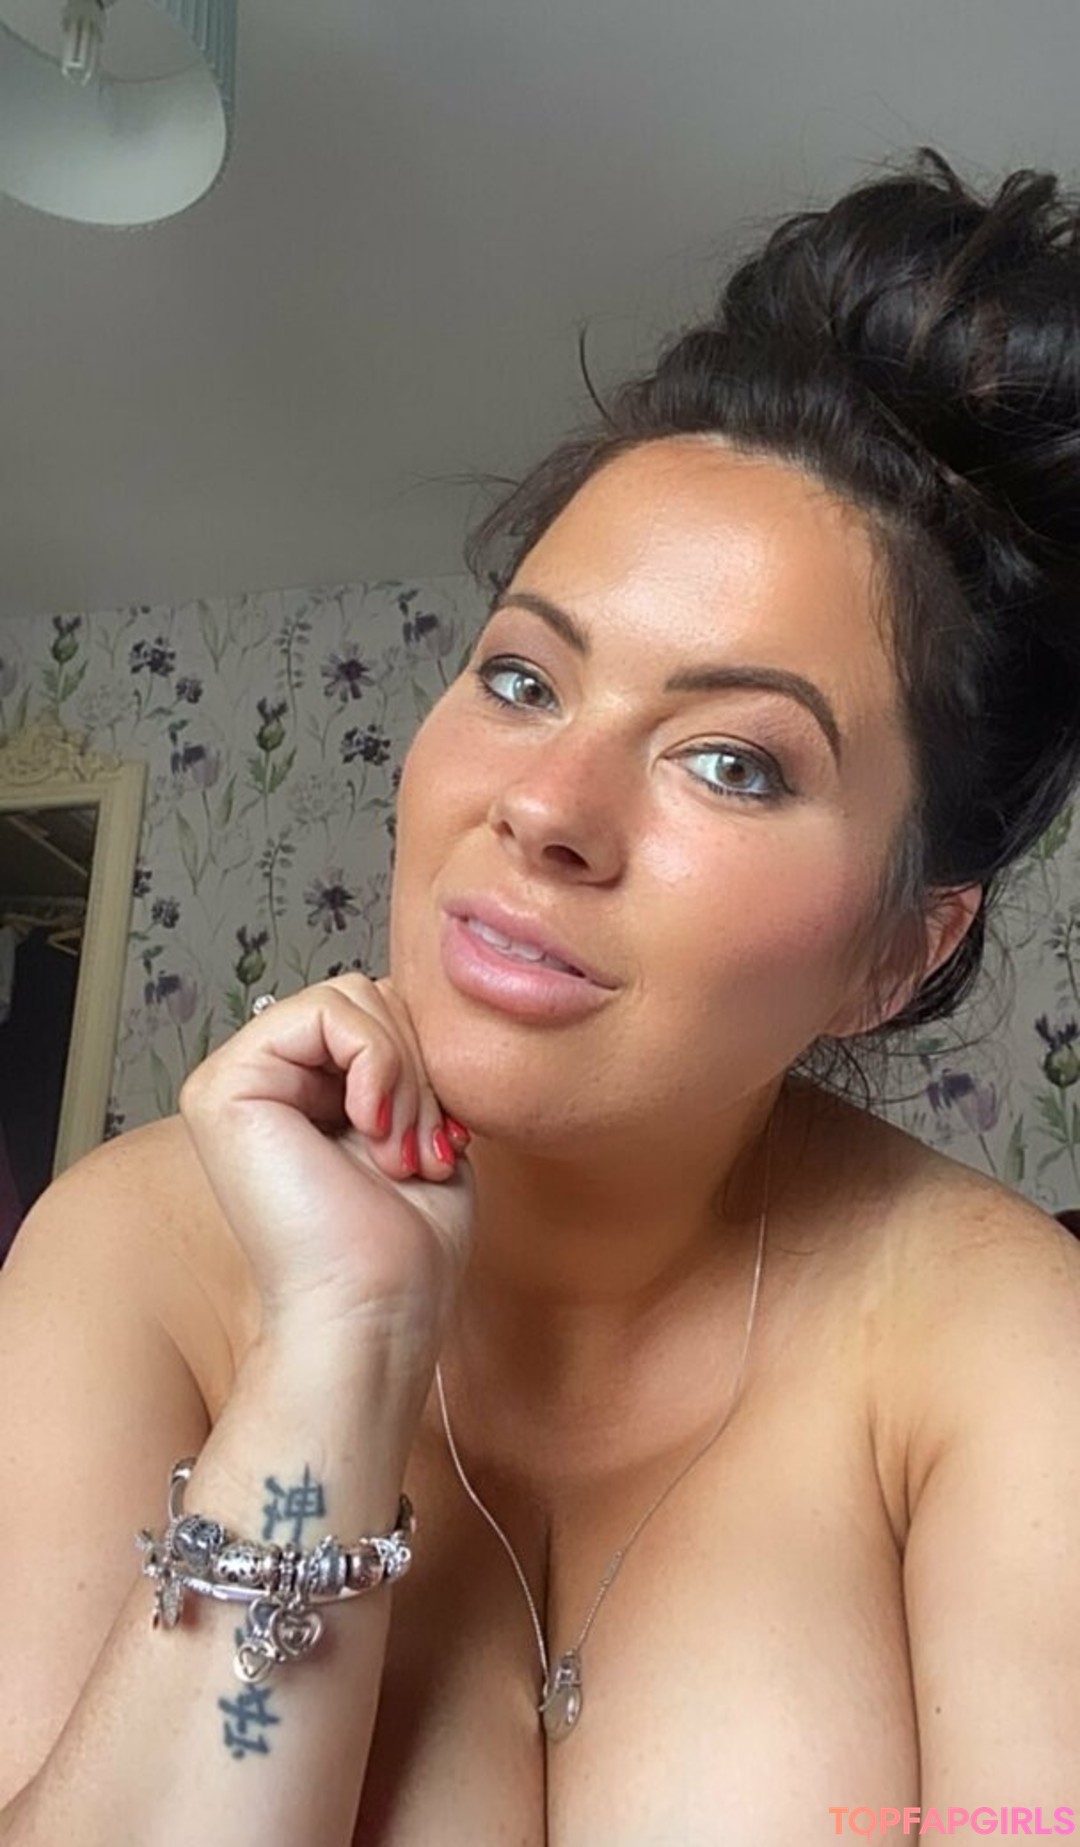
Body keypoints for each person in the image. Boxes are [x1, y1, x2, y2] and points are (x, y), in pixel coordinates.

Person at [1, 145, 1079, 1846]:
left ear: (902, 952)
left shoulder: (1006, 1346)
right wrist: (337, 1348)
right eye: (521, 678)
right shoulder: (130, 1257)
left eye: (733, 762)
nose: (547, 808)